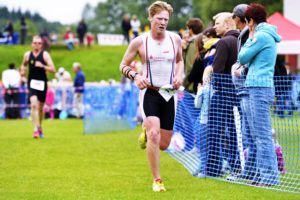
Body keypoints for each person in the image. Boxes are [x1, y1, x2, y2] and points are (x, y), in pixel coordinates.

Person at [119, 1, 183, 192]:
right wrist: (135, 76)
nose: (163, 22)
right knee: (155, 134)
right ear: (150, 18)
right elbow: (123, 65)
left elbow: (179, 61)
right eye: (159, 18)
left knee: (164, 143)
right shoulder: (139, 41)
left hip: (169, 93)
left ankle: (146, 132)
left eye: (166, 19)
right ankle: (157, 180)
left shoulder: (175, 39)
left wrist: (179, 75)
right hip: (150, 92)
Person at [238, 3, 281, 187]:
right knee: (259, 136)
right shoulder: (267, 35)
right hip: (259, 87)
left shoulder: (261, 36)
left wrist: (251, 36)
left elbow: (242, 57)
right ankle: (264, 176)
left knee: (262, 137)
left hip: (259, 88)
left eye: (247, 22)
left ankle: (269, 178)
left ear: (251, 21)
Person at [206, 12, 241, 177]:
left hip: (222, 95)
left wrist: (212, 81)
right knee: (236, 133)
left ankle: (213, 169)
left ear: (227, 25)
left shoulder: (223, 42)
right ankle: (236, 167)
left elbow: (217, 71)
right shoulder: (243, 40)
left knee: (214, 132)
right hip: (238, 94)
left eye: (218, 23)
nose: (215, 26)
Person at [20, 35, 56, 138]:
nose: (37, 45)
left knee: (40, 108)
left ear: (42, 45)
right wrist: (22, 71)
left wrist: (43, 66)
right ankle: (35, 129)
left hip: (42, 83)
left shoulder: (45, 55)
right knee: (34, 105)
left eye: (39, 43)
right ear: (32, 44)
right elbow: (23, 64)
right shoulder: (27, 55)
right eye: (35, 43)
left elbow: (53, 69)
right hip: (31, 83)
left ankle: (40, 126)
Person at [182, 18, 204, 91]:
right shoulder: (202, 40)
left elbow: (190, 66)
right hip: (198, 84)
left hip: (190, 86)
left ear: (190, 30)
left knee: (182, 101)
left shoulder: (193, 43)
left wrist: (183, 84)